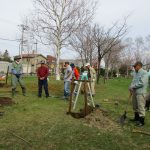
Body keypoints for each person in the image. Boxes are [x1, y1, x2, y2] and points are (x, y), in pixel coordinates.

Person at [129, 61, 149, 126]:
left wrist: (133, 86)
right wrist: (130, 87)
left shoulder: (144, 73)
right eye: (134, 66)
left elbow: (142, 83)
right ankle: (136, 118)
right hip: (134, 92)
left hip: (141, 93)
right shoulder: (136, 73)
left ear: (139, 66)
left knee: (141, 107)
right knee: (135, 106)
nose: (134, 68)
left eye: (135, 66)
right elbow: (133, 81)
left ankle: (141, 121)